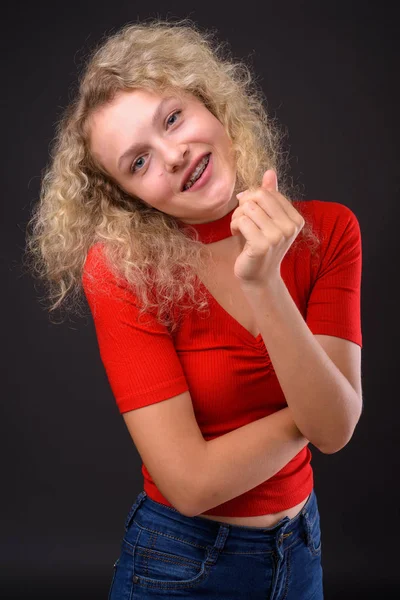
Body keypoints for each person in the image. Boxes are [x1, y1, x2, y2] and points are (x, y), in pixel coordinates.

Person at [25, 17, 363, 599]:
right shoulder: (121, 273)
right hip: (181, 566)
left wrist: (266, 284)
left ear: (210, 103)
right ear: (129, 197)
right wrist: (312, 412)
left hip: (302, 552)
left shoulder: (329, 232)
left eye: (173, 118)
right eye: (139, 162)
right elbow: (191, 483)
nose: (174, 155)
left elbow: (336, 429)